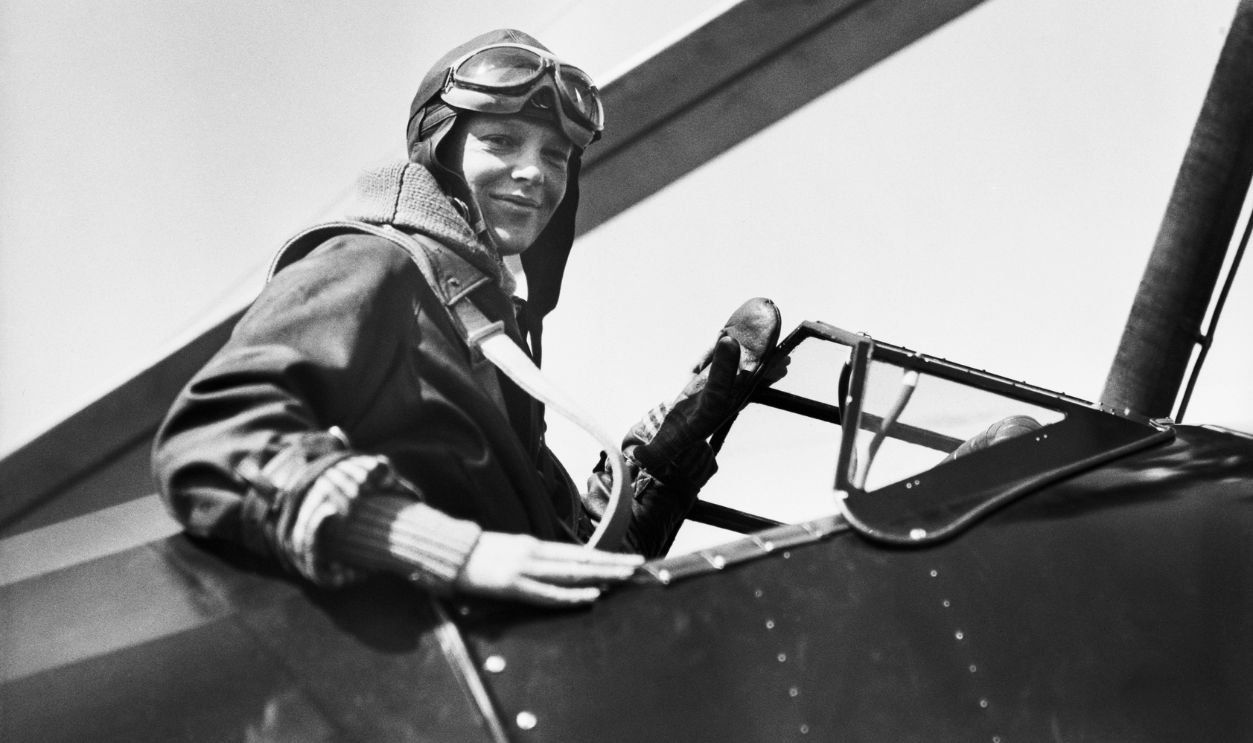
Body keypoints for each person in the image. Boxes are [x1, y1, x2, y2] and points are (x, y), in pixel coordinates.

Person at [152, 29, 781, 607]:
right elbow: (213, 435)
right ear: (442, 150)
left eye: (557, 155)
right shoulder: (376, 265)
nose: (535, 171)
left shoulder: (483, 336)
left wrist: (662, 468)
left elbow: (568, 564)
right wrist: (453, 552)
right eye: (501, 141)